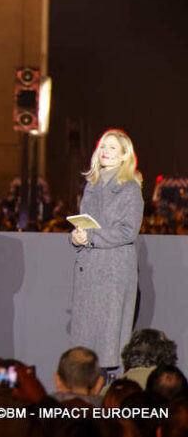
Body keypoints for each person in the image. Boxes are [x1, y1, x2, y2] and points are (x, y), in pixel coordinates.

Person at [69, 129, 144, 369]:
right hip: (89, 270)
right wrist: (77, 237)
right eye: (103, 146)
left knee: (109, 343)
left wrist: (90, 237)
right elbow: (84, 223)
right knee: (85, 348)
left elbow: (127, 231)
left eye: (113, 148)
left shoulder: (130, 188)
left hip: (112, 273)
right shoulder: (91, 186)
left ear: (124, 156)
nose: (106, 152)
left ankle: (110, 396)